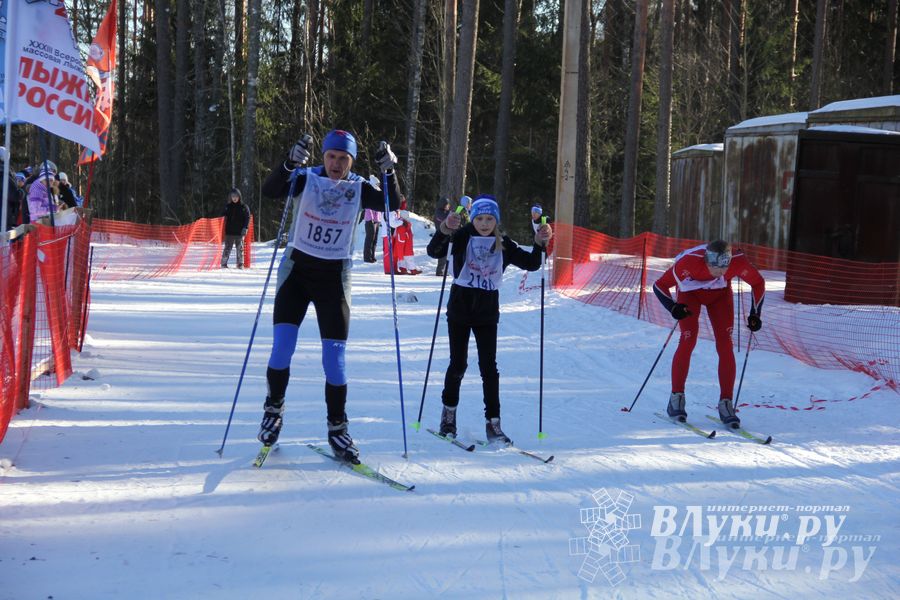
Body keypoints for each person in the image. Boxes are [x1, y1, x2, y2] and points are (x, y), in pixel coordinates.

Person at [256, 129, 401, 463]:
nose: (336, 164)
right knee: (282, 347)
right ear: (323, 156)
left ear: (352, 161)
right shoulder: (306, 178)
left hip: (334, 277)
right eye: (332, 156)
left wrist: (389, 172)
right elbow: (270, 190)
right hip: (297, 273)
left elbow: (392, 204)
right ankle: (273, 409)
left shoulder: (359, 187)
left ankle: (338, 427)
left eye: (343, 158)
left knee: (334, 360)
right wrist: (289, 164)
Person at [426, 194, 553, 444]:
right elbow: (434, 251)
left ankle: (493, 423)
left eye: (490, 219)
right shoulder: (462, 235)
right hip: (460, 309)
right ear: (473, 219)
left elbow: (532, 263)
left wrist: (539, 241)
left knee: (489, 369)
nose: (484, 224)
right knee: (458, 365)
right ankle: (448, 416)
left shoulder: (503, 242)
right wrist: (444, 229)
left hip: (486, 313)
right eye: (480, 218)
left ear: (496, 221)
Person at [652, 240, 765, 429]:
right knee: (688, 338)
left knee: (725, 343)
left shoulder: (738, 261)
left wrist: (755, 313)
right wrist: (673, 308)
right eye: (714, 266)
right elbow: (659, 286)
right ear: (706, 260)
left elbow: (758, 283)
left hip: (719, 296)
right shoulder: (688, 262)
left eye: (724, 267)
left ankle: (726, 403)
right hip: (691, 295)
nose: (719, 271)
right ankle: (676, 398)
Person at [220, 187, 251, 268]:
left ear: (239, 196)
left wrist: (245, 227)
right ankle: (223, 263)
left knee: (239, 249)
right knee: (227, 248)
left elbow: (247, 218)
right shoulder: (228, 206)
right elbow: (222, 216)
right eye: (233, 196)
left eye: (236, 196)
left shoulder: (244, 207)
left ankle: (240, 264)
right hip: (229, 231)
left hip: (240, 232)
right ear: (230, 197)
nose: (234, 198)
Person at [433, 197, 451, 275]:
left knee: (447, 253)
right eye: (447, 205)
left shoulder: (445, 212)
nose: (448, 206)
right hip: (441, 235)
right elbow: (445, 219)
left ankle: (443, 270)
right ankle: (440, 271)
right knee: (442, 254)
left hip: (445, 235)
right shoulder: (439, 212)